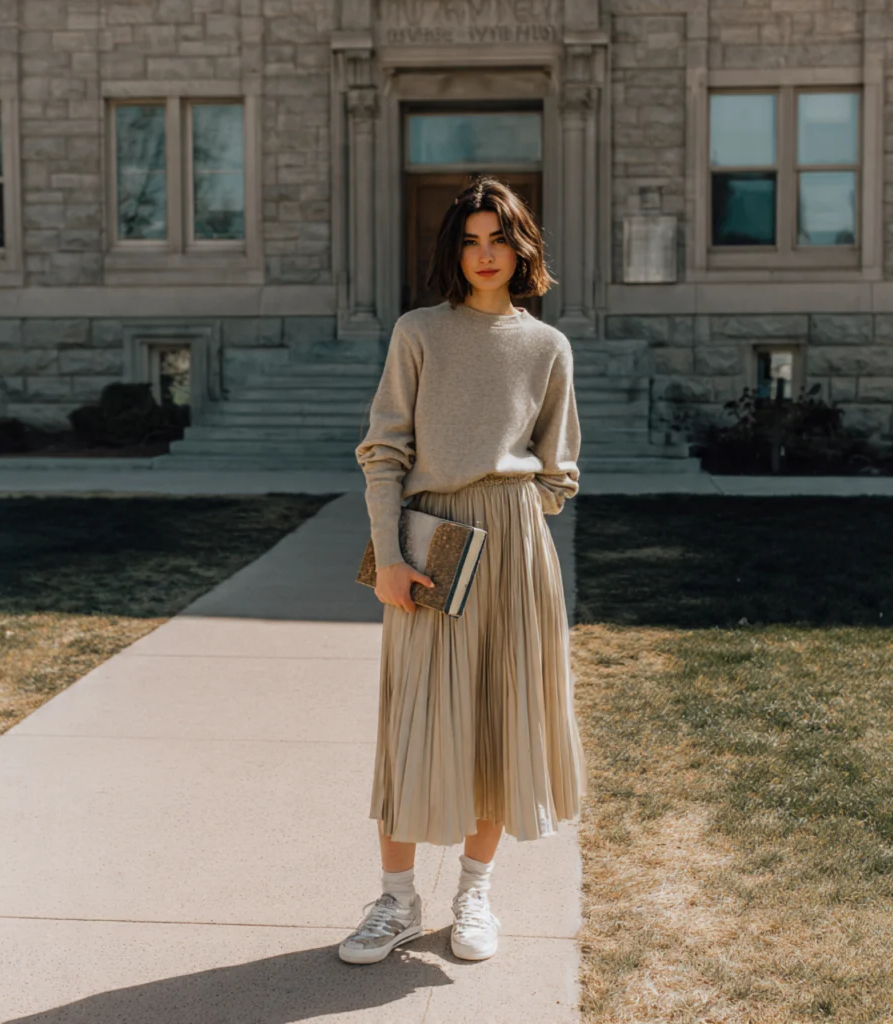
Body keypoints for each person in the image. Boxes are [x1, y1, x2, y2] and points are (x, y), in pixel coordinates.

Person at [340, 176, 587, 965]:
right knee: (415, 722)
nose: (485, 254)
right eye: (470, 240)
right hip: (431, 538)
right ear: (454, 251)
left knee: (498, 721)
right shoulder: (419, 332)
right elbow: (384, 451)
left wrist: (518, 513)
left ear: (523, 248)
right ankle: (396, 901)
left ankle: (475, 892)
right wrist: (389, 555)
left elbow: (560, 466)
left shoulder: (548, 346)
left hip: (514, 546)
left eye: (499, 239)